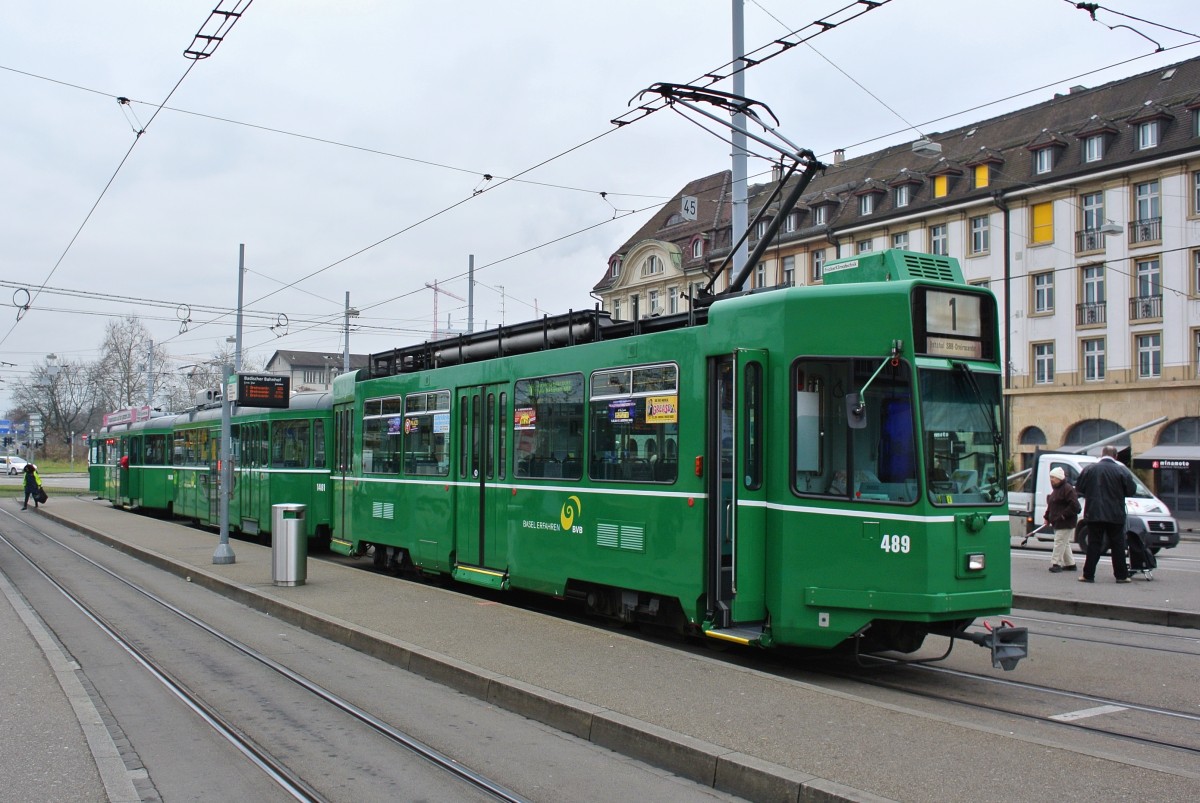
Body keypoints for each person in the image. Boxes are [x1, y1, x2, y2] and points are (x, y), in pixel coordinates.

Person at [1074, 445, 1136, 583]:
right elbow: (1131, 490)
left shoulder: (1089, 469)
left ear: (1102, 455)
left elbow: (1079, 488)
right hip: (1115, 514)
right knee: (1117, 545)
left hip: (1094, 512)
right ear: (1116, 456)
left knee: (1094, 544)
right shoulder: (1121, 470)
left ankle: (1088, 575)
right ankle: (1121, 576)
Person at [1044, 467, 1080, 573]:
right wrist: (1047, 517)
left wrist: (1063, 515)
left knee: (1059, 541)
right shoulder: (1057, 490)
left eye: (1053, 477)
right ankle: (1070, 564)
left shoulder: (1067, 489)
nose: (1051, 480)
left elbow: (1074, 505)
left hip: (1065, 521)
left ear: (1059, 478)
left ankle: (1056, 563)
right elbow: (1051, 505)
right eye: (1050, 477)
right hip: (1059, 521)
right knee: (1064, 542)